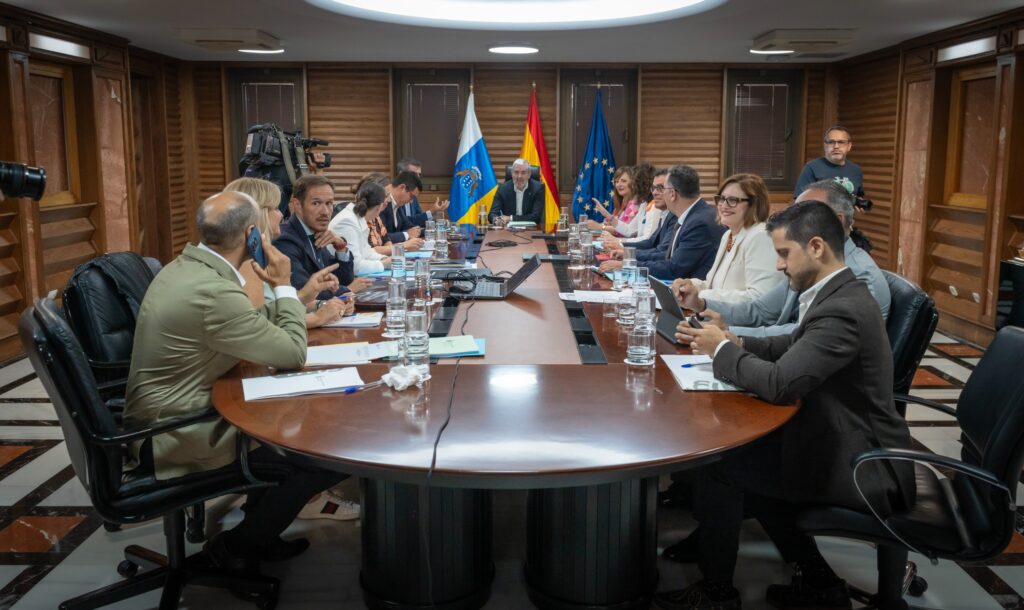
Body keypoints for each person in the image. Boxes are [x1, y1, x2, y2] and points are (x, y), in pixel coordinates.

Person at [655, 201, 914, 610]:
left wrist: (721, 350)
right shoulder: (839, 290)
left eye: (783, 253)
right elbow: (793, 344)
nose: (778, 265)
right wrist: (738, 341)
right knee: (751, 459)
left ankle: (717, 594)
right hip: (843, 439)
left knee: (723, 465)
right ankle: (818, 581)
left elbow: (780, 384)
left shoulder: (843, 309)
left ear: (816, 247)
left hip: (863, 463)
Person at [124, 191, 345, 575]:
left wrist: (287, 301)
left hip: (168, 414)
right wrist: (284, 285)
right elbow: (293, 352)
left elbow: (253, 326)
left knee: (294, 433)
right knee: (319, 453)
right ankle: (234, 549)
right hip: (173, 432)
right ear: (252, 235)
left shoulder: (187, 268)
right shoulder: (215, 291)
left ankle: (262, 533)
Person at [676, 179, 890, 337]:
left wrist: (729, 332)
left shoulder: (859, 278)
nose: (779, 265)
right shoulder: (808, 261)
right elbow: (761, 310)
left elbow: (806, 335)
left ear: (837, 220)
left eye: (805, 215)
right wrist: (701, 304)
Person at [224, 177, 352, 328]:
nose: (281, 215)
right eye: (276, 208)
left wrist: (309, 298)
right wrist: (318, 318)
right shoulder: (248, 260)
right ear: (258, 213)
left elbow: (270, 309)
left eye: (329, 203)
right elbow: (257, 323)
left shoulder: (252, 253)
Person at [672, 173, 783, 304]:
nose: (723, 205)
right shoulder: (728, 235)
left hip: (739, 318)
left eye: (732, 200)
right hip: (716, 314)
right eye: (722, 199)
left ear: (754, 204)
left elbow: (760, 298)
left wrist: (700, 295)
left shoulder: (761, 236)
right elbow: (714, 286)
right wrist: (688, 286)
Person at [602, 165, 723, 282]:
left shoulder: (698, 223)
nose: (655, 193)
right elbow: (664, 254)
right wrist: (629, 255)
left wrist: (627, 265)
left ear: (672, 194)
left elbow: (674, 269)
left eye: (662, 188)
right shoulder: (689, 215)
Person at [274, 174, 370, 299]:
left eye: (329, 203)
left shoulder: (315, 231)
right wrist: (348, 289)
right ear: (297, 205)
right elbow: (304, 290)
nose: (325, 212)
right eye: (316, 203)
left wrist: (341, 247)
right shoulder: (285, 240)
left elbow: (343, 279)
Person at [600, 169, 675, 268]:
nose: (655, 192)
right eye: (653, 188)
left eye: (660, 188)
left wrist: (621, 246)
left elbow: (653, 245)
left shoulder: (658, 208)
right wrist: (623, 249)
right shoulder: (645, 204)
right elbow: (631, 231)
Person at [328, 181, 393, 274]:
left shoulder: (358, 218)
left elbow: (366, 252)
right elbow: (355, 266)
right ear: (379, 207)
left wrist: (383, 258)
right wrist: (383, 264)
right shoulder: (347, 221)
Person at [793, 125, 864, 199]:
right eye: (831, 142)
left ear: (849, 146)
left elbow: (858, 196)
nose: (836, 146)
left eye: (841, 142)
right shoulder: (811, 168)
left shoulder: (855, 170)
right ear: (825, 145)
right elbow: (800, 200)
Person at [396, 157, 450, 227]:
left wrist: (437, 222)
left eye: (419, 174)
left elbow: (418, 219)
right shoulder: (395, 194)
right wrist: (431, 211)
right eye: (414, 174)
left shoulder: (413, 193)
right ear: (401, 174)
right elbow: (404, 222)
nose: (418, 178)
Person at [489, 158, 545, 226]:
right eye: (516, 172)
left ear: (529, 175)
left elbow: (536, 216)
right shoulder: (503, 188)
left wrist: (510, 218)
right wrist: (497, 220)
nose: (519, 176)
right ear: (512, 174)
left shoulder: (538, 188)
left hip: (531, 229)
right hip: (508, 230)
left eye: (523, 173)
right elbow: (492, 214)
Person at [588, 166, 638, 235]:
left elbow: (623, 231)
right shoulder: (622, 202)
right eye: (616, 182)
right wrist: (595, 225)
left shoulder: (635, 203)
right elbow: (609, 223)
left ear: (633, 183)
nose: (618, 185)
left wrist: (600, 226)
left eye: (623, 181)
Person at [381, 171, 425, 243]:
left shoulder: (398, 204)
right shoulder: (381, 203)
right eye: (411, 196)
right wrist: (407, 234)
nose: (411, 201)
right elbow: (380, 237)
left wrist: (429, 231)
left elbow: (408, 225)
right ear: (402, 187)